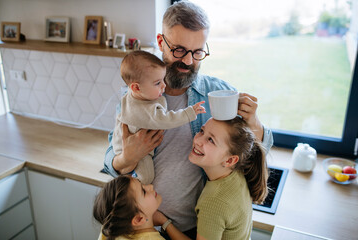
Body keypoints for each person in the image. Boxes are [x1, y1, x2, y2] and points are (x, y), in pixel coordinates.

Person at [104, 1, 274, 237]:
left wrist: (254, 122)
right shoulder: (134, 98)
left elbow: (257, 149)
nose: (188, 61)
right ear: (161, 42)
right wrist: (126, 159)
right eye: (180, 50)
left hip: (196, 229)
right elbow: (110, 163)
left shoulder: (216, 94)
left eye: (197, 52)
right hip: (142, 227)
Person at [154, 117, 269, 240]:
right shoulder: (237, 173)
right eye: (202, 131)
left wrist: (164, 222)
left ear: (230, 160)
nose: (198, 140)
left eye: (211, 140)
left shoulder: (213, 203)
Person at [112, 50, 206, 184]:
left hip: (127, 148)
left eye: (163, 79)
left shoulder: (134, 95)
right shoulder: (144, 110)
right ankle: (140, 188)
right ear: (136, 88)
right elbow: (165, 119)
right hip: (134, 152)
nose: (164, 85)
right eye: (157, 83)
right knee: (147, 177)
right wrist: (189, 112)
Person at [93, 175, 165, 240]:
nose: (150, 186)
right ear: (138, 219)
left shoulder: (109, 227)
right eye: (144, 192)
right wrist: (165, 222)